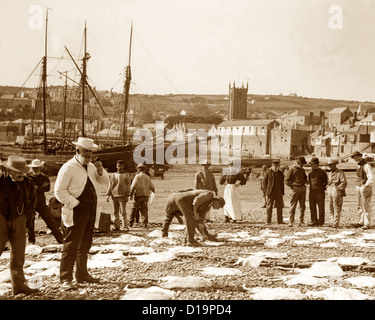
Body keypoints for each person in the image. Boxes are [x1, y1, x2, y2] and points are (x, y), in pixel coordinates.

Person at [54, 137, 109, 291]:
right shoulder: (68, 168)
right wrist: (74, 204)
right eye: (85, 151)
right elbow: (59, 191)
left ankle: (82, 274)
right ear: (77, 150)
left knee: (85, 243)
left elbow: (104, 181)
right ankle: (65, 278)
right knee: (71, 244)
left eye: (90, 151)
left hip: (90, 210)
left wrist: (100, 170)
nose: (88, 154)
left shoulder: (91, 167)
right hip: (76, 210)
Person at [0, 155, 39, 295]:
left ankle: (19, 286)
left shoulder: (28, 183)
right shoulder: (1, 181)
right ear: (9, 171)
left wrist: (26, 218)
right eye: (17, 171)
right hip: (1, 219)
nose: (20, 173)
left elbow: (33, 202)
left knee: (19, 255)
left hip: (19, 219)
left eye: (22, 171)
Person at [161, 189, 225, 246]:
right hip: (180, 199)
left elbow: (200, 221)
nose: (218, 208)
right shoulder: (209, 194)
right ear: (217, 201)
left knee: (169, 215)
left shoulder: (207, 207)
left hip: (172, 197)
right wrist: (195, 212)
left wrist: (203, 234)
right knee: (191, 218)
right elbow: (196, 200)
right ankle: (190, 241)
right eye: (220, 206)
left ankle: (164, 234)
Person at [26, 159, 64, 244]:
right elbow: (26, 189)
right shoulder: (27, 177)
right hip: (30, 203)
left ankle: (60, 238)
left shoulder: (44, 178)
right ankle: (31, 240)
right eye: (34, 168)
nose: (36, 169)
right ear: (31, 168)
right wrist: (39, 187)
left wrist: (35, 187)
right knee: (30, 222)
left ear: (40, 168)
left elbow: (47, 189)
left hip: (41, 203)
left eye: (37, 168)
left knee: (50, 220)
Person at [106, 160, 131, 231]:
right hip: (114, 195)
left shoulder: (126, 175)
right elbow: (110, 185)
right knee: (115, 212)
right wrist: (108, 195)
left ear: (123, 166)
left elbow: (128, 185)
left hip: (122, 196)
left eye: (121, 166)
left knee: (123, 212)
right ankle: (116, 226)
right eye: (118, 166)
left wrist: (128, 194)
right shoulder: (113, 175)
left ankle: (125, 226)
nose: (120, 167)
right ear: (116, 166)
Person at [351, 151, 373, 229]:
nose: (355, 159)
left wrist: (366, 185)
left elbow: (371, 177)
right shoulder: (359, 166)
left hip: (365, 187)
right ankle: (361, 222)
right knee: (360, 205)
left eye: (356, 157)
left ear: (360, 156)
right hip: (359, 186)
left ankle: (367, 223)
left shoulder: (366, 165)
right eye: (354, 158)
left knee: (366, 205)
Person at [129, 163, 155, 229]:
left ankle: (130, 223)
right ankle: (144, 224)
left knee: (133, 209)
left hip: (138, 196)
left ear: (138, 169)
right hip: (145, 196)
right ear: (144, 170)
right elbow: (153, 187)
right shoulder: (147, 177)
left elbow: (132, 186)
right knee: (144, 210)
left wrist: (131, 194)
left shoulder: (137, 176)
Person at [285, 156, 308, 226]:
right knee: (293, 205)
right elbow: (286, 180)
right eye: (302, 163)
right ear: (298, 163)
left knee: (302, 206)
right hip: (295, 189)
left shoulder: (303, 170)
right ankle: (291, 221)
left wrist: (306, 181)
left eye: (303, 164)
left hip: (302, 189)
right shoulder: (292, 170)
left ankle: (301, 221)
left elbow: (305, 179)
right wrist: (292, 186)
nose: (303, 165)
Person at [326, 158, 347, 229]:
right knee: (330, 206)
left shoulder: (340, 173)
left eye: (331, 165)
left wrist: (338, 189)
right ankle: (332, 221)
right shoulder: (329, 173)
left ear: (335, 164)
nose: (330, 166)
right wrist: (327, 188)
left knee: (337, 207)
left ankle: (335, 223)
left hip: (336, 190)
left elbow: (344, 183)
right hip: (330, 190)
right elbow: (328, 182)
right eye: (329, 165)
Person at [262, 159, 285, 224]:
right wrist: (266, 192)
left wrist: (282, 192)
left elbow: (282, 183)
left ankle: (280, 221)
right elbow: (264, 183)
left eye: (277, 165)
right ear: (272, 165)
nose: (276, 167)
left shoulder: (280, 173)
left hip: (279, 192)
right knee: (269, 206)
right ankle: (268, 221)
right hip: (270, 192)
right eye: (274, 165)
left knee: (279, 207)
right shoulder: (268, 172)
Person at [307, 157, 328, 227]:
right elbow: (309, 181)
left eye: (312, 164)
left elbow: (326, 181)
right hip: (312, 192)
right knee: (312, 207)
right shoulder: (310, 173)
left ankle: (321, 222)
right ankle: (314, 221)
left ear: (316, 164)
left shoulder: (322, 172)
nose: (311, 166)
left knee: (321, 207)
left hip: (320, 192)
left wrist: (323, 188)